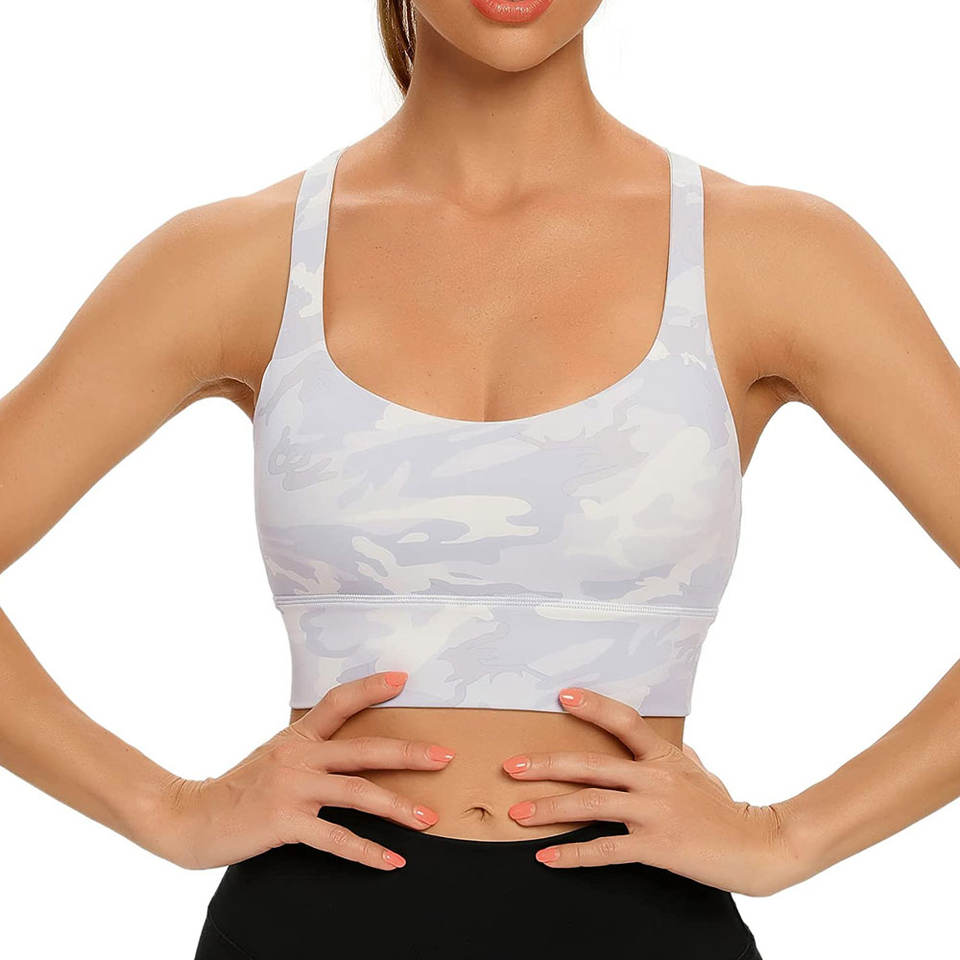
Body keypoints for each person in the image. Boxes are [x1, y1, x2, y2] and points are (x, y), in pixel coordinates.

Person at [1, 2, 958, 957]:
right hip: (311, 924)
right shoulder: (235, 257)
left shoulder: (774, 253)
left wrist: (786, 839)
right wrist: (168, 811)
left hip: (640, 928)